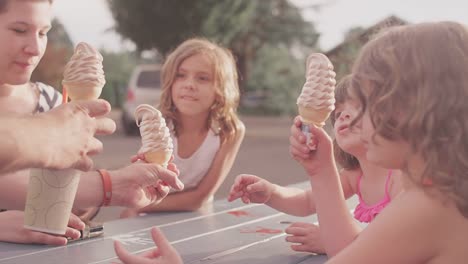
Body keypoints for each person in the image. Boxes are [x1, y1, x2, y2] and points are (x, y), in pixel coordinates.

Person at [0, 0, 184, 245]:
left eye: (43, 32)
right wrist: (110, 186)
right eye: (19, 30)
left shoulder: (55, 103)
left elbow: (73, 195)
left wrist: (85, 203)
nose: (35, 48)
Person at [302, 21, 468, 263]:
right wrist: (321, 169)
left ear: (413, 111)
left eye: (365, 105)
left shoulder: (430, 205)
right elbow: (350, 250)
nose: (356, 119)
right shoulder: (445, 191)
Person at [228, 75, 403, 255]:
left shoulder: (401, 178)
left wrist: (332, 239)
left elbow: (392, 249)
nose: (343, 115)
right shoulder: (355, 176)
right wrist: (271, 193)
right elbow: (308, 201)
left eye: (359, 107)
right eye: (337, 113)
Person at [121, 38, 245, 217]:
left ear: (221, 89)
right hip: (148, 214)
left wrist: (139, 205)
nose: (189, 84)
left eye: (203, 78)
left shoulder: (230, 131)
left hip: (194, 217)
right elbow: (143, 185)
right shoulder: (159, 123)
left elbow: (199, 198)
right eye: (180, 75)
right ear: (170, 81)